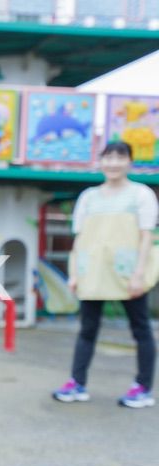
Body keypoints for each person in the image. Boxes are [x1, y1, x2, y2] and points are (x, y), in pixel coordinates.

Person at [53, 141, 157, 408]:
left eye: (120, 157)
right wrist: (75, 273)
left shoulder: (141, 194)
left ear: (129, 162)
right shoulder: (88, 196)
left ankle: (143, 388)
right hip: (93, 272)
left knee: (141, 329)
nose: (113, 162)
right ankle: (77, 383)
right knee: (87, 329)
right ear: (100, 161)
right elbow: (80, 238)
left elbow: (147, 237)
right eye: (108, 157)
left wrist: (139, 274)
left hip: (127, 273)